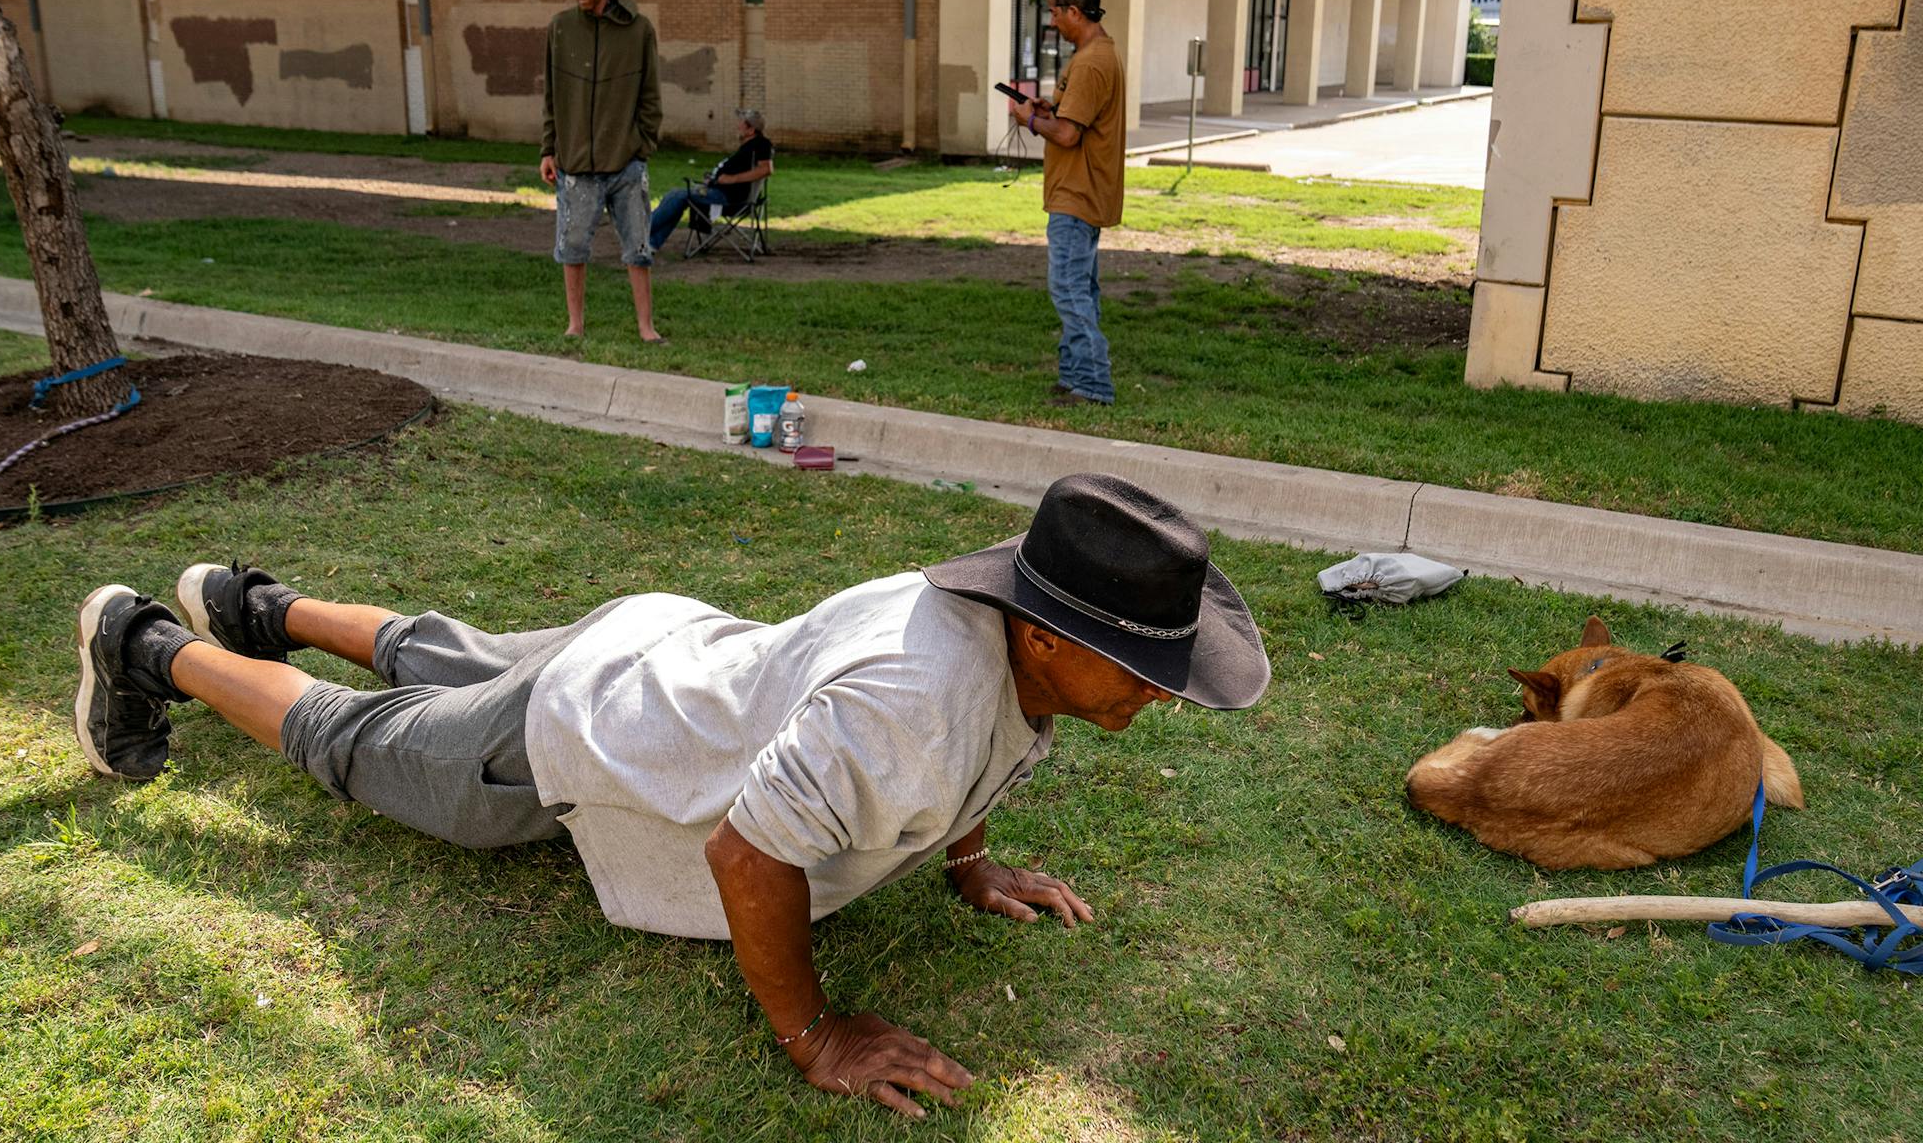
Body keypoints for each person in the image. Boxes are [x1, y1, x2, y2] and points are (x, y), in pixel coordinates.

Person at [70, 473, 1269, 1119]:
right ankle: (143, 639)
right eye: (1144, 668)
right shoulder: (915, 700)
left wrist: (972, 864)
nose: (1158, 694)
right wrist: (813, 1032)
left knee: (459, 648)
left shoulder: (1003, 651)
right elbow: (749, 852)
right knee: (360, 741)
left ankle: (255, 601)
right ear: (1048, 636)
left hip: (661, 648)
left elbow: (974, 758)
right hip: (592, 730)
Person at [1008, 0, 1127, 407]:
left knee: (1068, 289)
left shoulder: (1092, 62)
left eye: (1055, 12)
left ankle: (1093, 384)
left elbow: (1068, 136)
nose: (1053, 21)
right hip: (1079, 191)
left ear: (1074, 11)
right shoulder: (1092, 56)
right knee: (1080, 288)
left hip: (1078, 193)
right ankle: (1074, 376)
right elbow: (1071, 120)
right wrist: (1049, 110)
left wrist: (1031, 121)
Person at [539, 0, 665, 343]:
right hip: (575, 164)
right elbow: (551, 97)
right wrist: (548, 148)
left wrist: (641, 146)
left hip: (626, 163)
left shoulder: (639, 30)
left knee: (638, 247)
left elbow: (651, 97)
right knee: (571, 248)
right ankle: (575, 325)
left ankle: (646, 328)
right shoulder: (560, 29)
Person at [649, 108, 774, 252]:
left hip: (730, 198)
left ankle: (640, 233)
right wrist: (713, 178)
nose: (737, 126)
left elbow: (766, 169)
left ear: (751, 130)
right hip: (719, 191)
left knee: (677, 196)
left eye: (741, 123)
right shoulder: (748, 146)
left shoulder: (761, 144)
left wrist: (732, 179)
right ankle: (651, 243)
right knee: (678, 196)